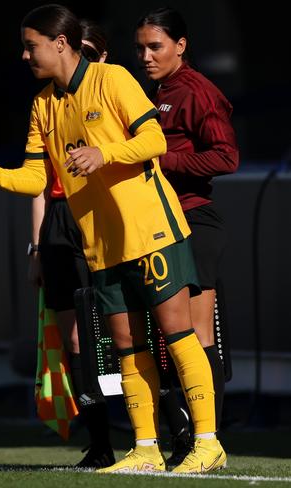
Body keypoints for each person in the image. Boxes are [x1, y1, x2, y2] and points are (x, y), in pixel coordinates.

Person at [0, 4, 225, 473]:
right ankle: (145, 448)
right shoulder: (43, 104)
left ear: (59, 43)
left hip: (151, 229)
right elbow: (34, 177)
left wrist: (103, 153)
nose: (24, 56)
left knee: (177, 331)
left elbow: (154, 142)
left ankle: (208, 442)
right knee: (126, 343)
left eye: (31, 46)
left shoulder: (115, 80)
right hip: (102, 241)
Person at [135, 7, 239, 468]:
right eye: (140, 47)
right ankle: (184, 438)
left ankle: (207, 442)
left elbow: (225, 157)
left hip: (194, 222)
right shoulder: (155, 91)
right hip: (160, 224)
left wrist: (161, 161)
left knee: (195, 336)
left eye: (155, 46)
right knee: (168, 336)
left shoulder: (198, 91)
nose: (146, 55)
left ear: (181, 45)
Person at [27, 18, 114, 469]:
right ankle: (100, 441)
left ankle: (157, 433)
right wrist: (37, 248)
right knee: (75, 335)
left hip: (108, 214)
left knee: (124, 329)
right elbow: (39, 183)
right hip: (61, 224)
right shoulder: (44, 104)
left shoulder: (112, 90)